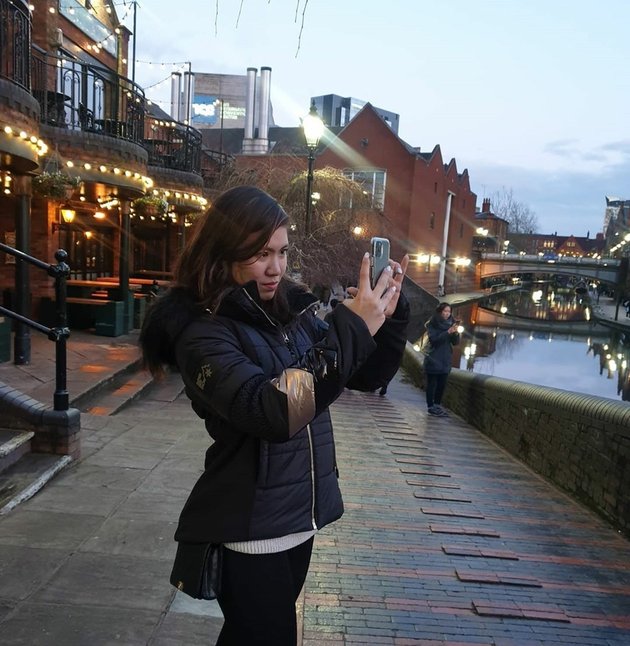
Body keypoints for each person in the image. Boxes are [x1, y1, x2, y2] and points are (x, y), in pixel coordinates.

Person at [139, 186, 410, 646]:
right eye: (261, 253)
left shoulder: (288, 314)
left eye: (282, 252)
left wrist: (388, 316)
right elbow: (275, 411)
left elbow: (361, 376)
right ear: (223, 252)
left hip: (296, 519)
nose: (276, 268)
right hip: (249, 530)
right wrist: (352, 326)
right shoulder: (201, 333)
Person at [423, 302, 460, 417]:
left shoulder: (451, 324)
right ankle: (430, 406)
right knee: (432, 383)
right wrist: (447, 332)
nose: (447, 314)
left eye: (449, 312)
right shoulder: (432, 324)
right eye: (445, 311)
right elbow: (434, 340)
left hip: (445, 359)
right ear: (440, 312)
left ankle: (437, 405)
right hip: (434, 358)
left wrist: (455, 334)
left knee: (442, 384)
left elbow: (455, 343)